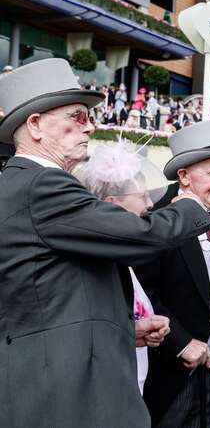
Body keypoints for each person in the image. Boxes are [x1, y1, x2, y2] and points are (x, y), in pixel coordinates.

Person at [0, 58, 210, 428]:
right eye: (78, 117)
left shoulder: (25, 185)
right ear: (35, 125)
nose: (90, 126)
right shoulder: (42, 185)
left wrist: (121, 328)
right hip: (65, 393)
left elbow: (49, 299)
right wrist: (194, 202)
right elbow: (141, 237)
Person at [134, 121, 210, 428]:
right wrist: (182, 343)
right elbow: (144, 295)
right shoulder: (159, 224)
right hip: (170, 377)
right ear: (183, 175)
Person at [74, 143, 172, 394]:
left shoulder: (122, 261)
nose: (150, 204)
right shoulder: (92, 264)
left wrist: (137, 332)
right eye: (142, 196)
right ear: (111, 204)